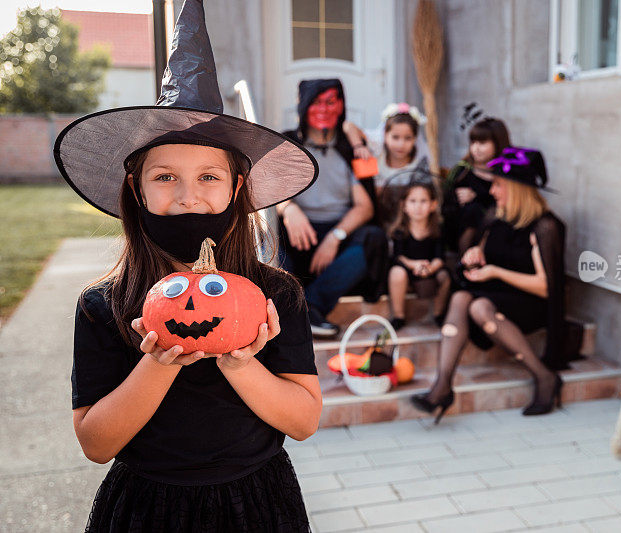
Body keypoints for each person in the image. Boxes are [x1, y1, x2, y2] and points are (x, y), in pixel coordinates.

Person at [54, 2, 320, 530]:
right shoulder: (104, 304)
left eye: (208, 178)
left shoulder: (275, 294)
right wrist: (157, 364)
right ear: (137, 188)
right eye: (165, 177)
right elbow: (96, 443)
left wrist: (243, 365)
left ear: (236, 189)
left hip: (258, 502)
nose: (188, 198)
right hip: (148, 507)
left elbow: (304, 419)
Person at [411, 146, 567, 422]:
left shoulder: (545, 226)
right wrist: (477, 256)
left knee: (480, 307)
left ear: (517, 189)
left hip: (531, 302)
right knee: (461, 299)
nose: (492, 191)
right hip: (498, 295)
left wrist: (496, 271)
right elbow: (483, 252)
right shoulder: (497, 217)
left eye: (497, 184)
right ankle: (442, 385)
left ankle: (544, 376)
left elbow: (546, 288)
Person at [278, 79, 388, 337]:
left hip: (339, 237)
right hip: (298, 232)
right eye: (316, 102)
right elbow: (268, 188)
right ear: (303, 106)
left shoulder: (356, 149)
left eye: (330, 102)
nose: (324, 109)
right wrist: (289, 208)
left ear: (341, 105)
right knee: (266, 237)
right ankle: (290, 308)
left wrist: (335, 237)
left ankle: (309, 307)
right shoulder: (286, 142)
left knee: (375, 239)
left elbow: (366, 207)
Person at [343, 102, 430, 227]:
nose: (401, 144)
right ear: (385, 135)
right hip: (375, 217)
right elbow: (348, 126)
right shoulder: (377, 151)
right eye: (395, 137)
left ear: (415, 139)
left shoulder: (418, 164)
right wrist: (358, 145)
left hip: (406, 221)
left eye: (407, 138)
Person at [387, 180, 451, 330]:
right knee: (396, 272)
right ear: (404, 206)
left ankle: (438, 314)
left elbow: (439, 257)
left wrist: (429, 268)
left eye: (423, 201)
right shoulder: (400, 231)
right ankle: (398, 315)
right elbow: (398, 256)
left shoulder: (437, 230)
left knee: (445, 276)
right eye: (413, 201)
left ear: (433, 205)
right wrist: (414, 265)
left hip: (429, 271)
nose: (418, 206)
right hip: (407, 271)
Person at [442, 117, 511, 254]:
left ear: (498, 142)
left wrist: (478, 196)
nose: (476, 148)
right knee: (472, 211)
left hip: (496, 232)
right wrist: (458, 200)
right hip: (460, 231)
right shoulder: (462, 171)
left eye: (482, 143)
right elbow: (445, 205)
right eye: (473, 143)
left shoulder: (507, 172)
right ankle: (464, 262)